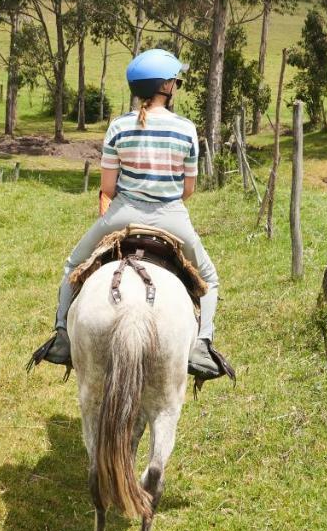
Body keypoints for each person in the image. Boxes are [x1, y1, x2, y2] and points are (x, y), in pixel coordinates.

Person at [27, 48, 234, 382]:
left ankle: (63, 336)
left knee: (72, 265)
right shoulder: (185, 128)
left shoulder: (118, 127)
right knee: (209, 278)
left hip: (122, 214)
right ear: (165, 86)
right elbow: (189, 190)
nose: (177, 84)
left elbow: (108, 186)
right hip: (172, 217)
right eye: (175, 80)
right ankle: (202, 345)